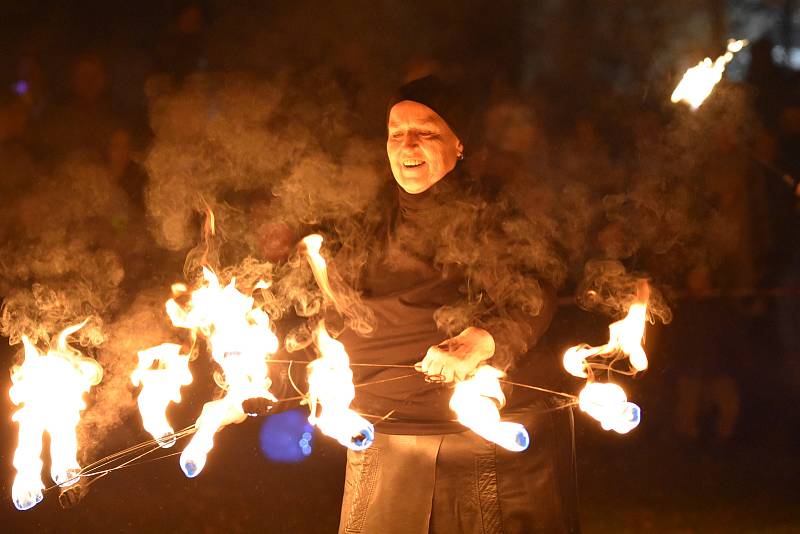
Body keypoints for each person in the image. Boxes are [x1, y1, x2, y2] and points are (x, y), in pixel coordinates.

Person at [325, 76, 579, 534]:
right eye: (396, 132)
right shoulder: (366, 221)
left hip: (484, 442)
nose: (408, 144)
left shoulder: (497, 214)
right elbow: (333, 315)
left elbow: (534, 294)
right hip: (383, 437)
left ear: (459, 143)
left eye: (426, 131)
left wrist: (479, 341)